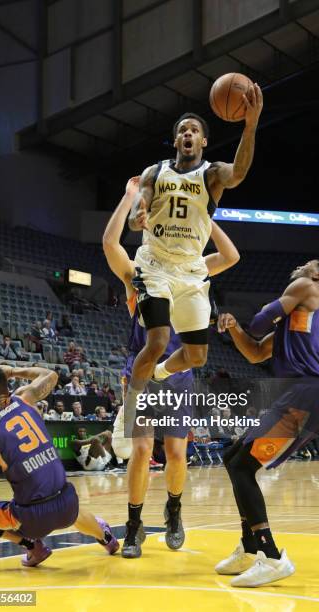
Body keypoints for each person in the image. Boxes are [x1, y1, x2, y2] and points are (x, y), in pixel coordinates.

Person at [103, 176, 240, 558]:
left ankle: (174, 510)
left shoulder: (194, 268)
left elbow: (230, 257)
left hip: (179, 374)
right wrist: (129, 195)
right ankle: (133, 524)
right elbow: (110, 244)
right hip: (144, 374)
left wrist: (203, 214)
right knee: (143, 451)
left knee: (178, 454)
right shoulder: (139, 275)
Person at [124, 92, 262, 434]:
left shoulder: (212, 174)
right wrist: (136, 215)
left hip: (191, 271)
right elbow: (134, 214)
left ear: (203, 140)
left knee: (197, 357)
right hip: (153, 264)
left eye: (193, 130)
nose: (187, 134)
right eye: (182, 130)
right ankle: (126, 413)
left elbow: (240, 172)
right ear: (176, 140)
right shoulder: (155, 172)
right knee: (156, 340)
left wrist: (251, 125)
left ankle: (161, 372)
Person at [216, 259, 319, 587]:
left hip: (308, 394)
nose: (298, 266)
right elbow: (256, 351)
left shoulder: (307, 287)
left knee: (243, 465)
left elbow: (258, 323)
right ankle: (250, 546)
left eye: (306, 264)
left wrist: (250, 319)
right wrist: (233, 329)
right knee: (233, 458)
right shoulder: (298, 323)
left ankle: (270, 556)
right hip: (306, 395)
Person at [0, 365, 118, 567]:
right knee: (64, 502)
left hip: (32, 520)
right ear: (6, 390)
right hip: (68, 503)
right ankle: (106, 537)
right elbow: (51, 375)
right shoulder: (26, 398)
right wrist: (13, 371)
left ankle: (31, 546)